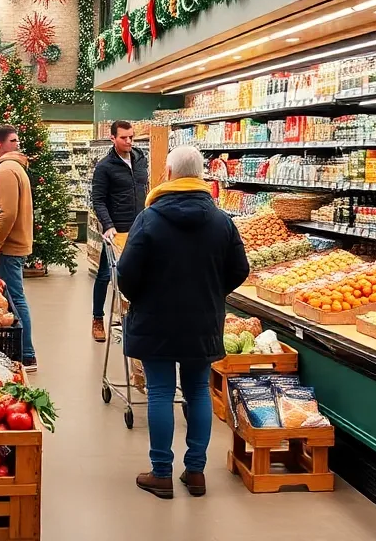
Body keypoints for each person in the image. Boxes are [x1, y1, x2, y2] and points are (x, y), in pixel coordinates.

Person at [117, 145, 250, 500]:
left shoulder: (149, 219)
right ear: (202, 176)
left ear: (170, 174)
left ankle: (161, 473)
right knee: (197, 391)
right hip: (202, 321)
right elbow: (240, 270)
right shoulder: (222, 220)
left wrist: (140, 297)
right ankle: (196, 472)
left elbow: (126, 274)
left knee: (160, 391)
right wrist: (212, 292)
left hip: (155, 320)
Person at [0, 124, 37, 372]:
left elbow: (9, 212)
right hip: (12, 245)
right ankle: (20, 351)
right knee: (12, 297)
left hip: (8, 247)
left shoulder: (6, 170)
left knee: (14, 299)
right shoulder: (15, 168)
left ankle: (26, 354)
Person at [89, 120, 149, 342]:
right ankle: (97, 318)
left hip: (139, 227)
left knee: (136, 274)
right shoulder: (105, 167)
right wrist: (108, 225)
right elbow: (99, 199)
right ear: (113, 138)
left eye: (131, 137)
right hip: (115, 231)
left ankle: (127, 317)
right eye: (124, 137)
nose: (129, 141)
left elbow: (146, 188)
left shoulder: (141, 160)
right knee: (105, 274)